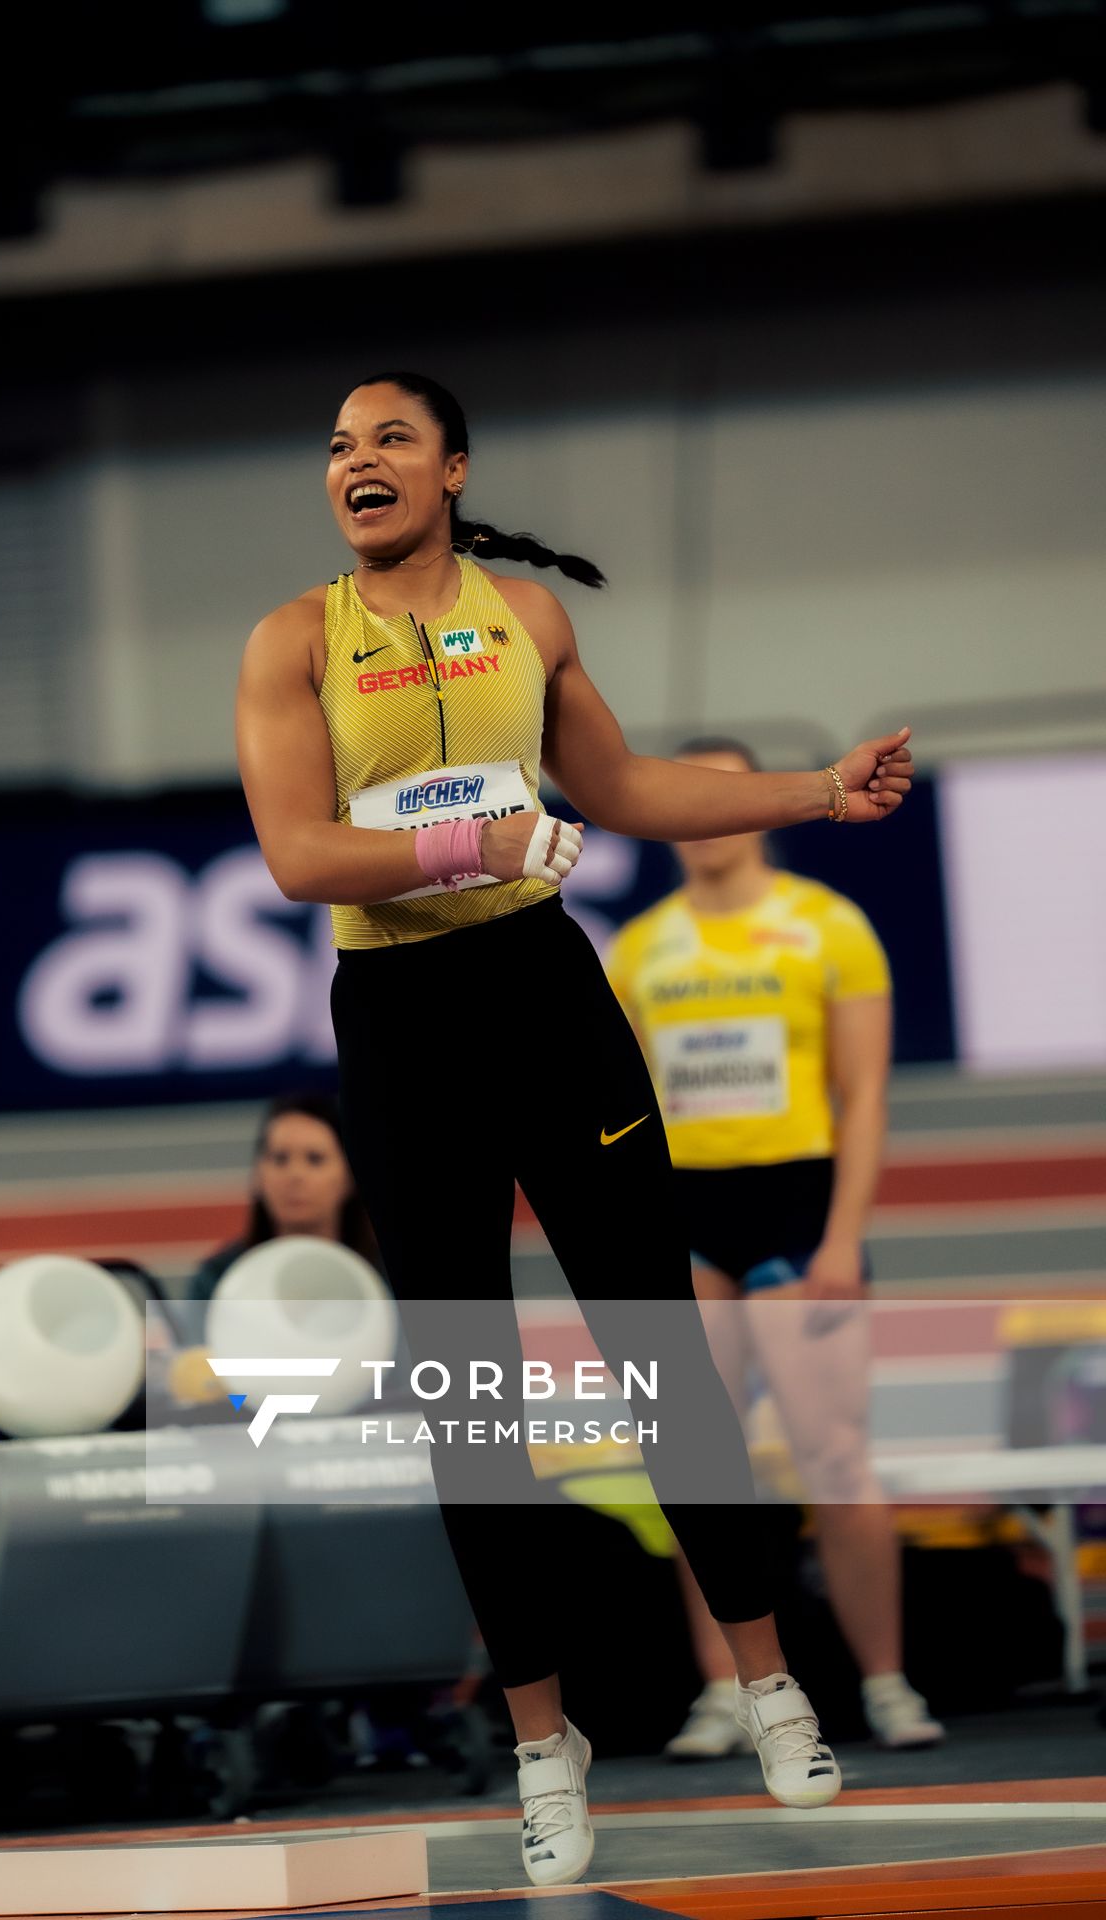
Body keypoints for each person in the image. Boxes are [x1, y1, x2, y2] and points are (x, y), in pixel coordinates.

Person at [235, 370, 915, 1885]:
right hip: (405, 1018)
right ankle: (547, 1748)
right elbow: (298, 852)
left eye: (390, 436)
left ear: (454, 467)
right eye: (340, 446)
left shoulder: (526, 621)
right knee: (468, 1389)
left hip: (547, 993)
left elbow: (616, 785)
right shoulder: (293, 642)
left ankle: (769, 1682)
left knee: (655, 1342)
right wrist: (472, 833)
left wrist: (818, 791)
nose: (359, 460)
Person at [606, 737, 944, 1757]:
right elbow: (619, 1116)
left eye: (725, 793)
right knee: (694, 1460)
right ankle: (725, 1689)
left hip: (799, 1215)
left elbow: (866, 1092)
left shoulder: (826, 929)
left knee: (832, 1454)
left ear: (757, 807)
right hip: (686, 1218)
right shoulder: (637, 951)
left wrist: (842, 1237)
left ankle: (883, 1681)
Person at [187, 1092, 381, 1302]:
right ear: (258, 1175)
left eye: (315, 1159)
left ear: (350, 1178)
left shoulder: (386, 1276)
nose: (295, 1175)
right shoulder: (218, 1279)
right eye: (280, 1159)